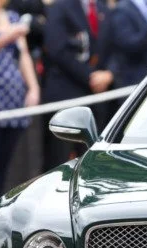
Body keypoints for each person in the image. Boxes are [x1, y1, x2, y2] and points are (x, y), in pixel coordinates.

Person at [0, 0, 40, 232]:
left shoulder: (12, 16)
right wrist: (8, 35)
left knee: (4, 159)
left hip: (14, 96)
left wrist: (33, 88)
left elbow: (23, 56)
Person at [41, 0, 115, 171]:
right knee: (59, 164)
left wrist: (108, 74)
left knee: (92, 164)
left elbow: (113, 45)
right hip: (66, 94)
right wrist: (90, 76)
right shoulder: (61, 7)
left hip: (97, 98)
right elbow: (56, 48)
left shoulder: (103, 9)